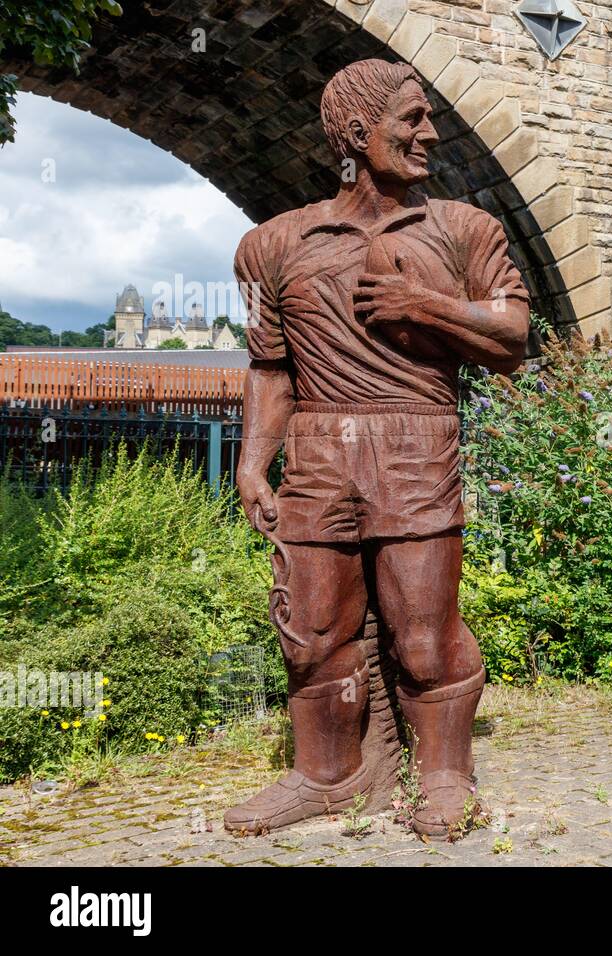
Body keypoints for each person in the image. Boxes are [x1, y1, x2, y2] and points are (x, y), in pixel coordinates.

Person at [225, 58, 529, 835]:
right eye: (413, 118)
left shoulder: (463, 230)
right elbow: (270, 366)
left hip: (415, 439)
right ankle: (326, 775)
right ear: (359, 133)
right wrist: (252, 462)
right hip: (319, 445)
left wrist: (423, 302)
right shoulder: (271, 244)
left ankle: (445, 778)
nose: (430, 133)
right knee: (311, 630)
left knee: (424, 636)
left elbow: (513, 335)